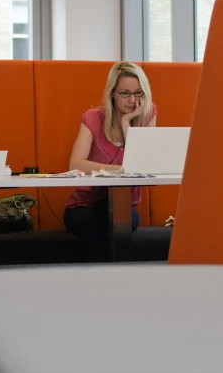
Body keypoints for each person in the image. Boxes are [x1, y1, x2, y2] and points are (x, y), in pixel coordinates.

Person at [64, 61, 157, 262]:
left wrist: (127, 126)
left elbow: (144, 166)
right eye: (125, 93)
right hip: (83, 207)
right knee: (102, 222)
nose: (132, 100)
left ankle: (102, 282)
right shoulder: (93, 118)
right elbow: (76, 164)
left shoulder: (146, 115)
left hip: (124, 207)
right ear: (112, 93)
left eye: (138, 93)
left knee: (120, 220)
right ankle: (107, 282)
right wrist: (121, 169)